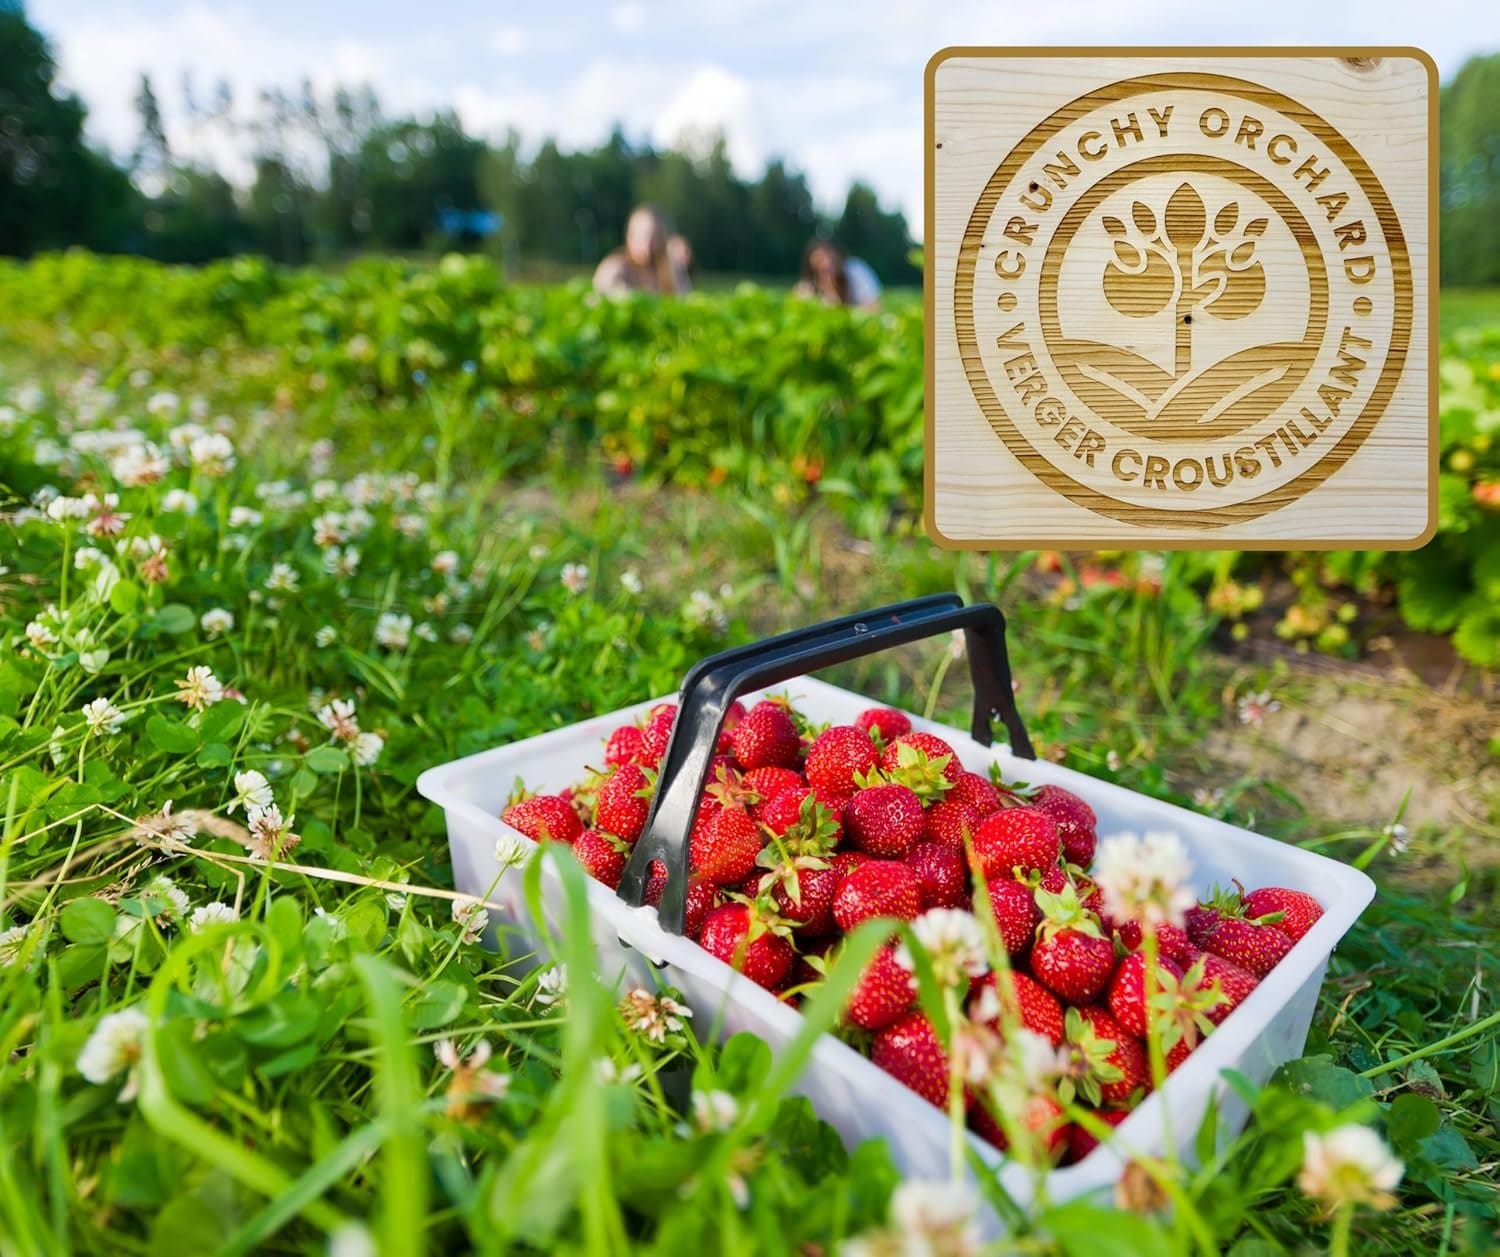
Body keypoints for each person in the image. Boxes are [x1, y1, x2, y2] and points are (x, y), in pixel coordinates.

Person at [592, 206, 692, 296]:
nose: (647, 245)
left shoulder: (670, 270)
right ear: (629, 236)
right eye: (641, 236)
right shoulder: (614, 268)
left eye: (655, 237)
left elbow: (683, 297)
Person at [794, 238, 881, 310]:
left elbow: (874, 307)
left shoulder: (856, 270)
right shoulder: (807, 285)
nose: (826, 263)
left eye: (831, 257)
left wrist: (838, 309)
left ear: (840, 256)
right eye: (820, 260)